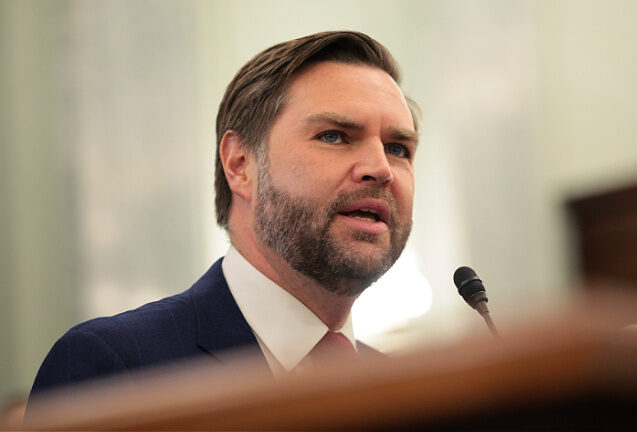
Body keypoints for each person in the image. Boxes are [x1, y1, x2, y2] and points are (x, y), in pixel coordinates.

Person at [28, 31, 419, 400]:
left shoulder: (407, 392)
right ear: (240, 164)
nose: (380, 168)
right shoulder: (119, 369)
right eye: (334, 136)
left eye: (398, 148)